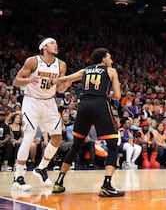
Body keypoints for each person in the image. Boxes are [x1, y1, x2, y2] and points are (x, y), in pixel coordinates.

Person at [50, 47, 125, 197]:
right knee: (112, 144)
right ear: (104, 59)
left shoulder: (86, 70)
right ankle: (107, 185)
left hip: (83, 105)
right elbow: (117, 95)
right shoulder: (111, 71)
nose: (111, 60)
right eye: (109, 58)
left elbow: (65, 79)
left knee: (77, 144)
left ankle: (58, 182)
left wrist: (50, 80)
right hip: (99, 104)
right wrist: (107, 94)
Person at [12, 37, 69, 191]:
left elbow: (60, 90)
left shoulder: (61, 65)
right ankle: (18, 177)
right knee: (29, 137)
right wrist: (29, 80)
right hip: (32, 101)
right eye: (52, 43)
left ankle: (41, 167)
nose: (55, 45)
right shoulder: (33, 61)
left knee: (57, 138)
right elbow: (16, 81)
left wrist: (65, 84)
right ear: (44, 47)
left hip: (49, 102)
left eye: (56, 43)